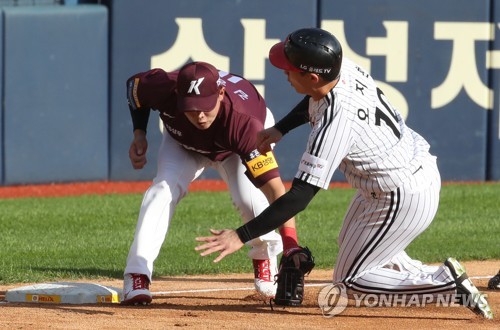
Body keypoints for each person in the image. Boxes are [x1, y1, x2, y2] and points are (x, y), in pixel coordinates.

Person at [195, 28, 493, 319]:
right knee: (351, 246)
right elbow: (313, 98)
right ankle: (432, 276)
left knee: (352, 282)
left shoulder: (334, 125)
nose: (284, 73)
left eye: (289, 69)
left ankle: (447, 286)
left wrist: (241, 235)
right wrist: (280, 128)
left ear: (311, 76)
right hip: (404, 172)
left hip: (401, 195)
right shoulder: (342, 69)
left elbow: (298, 197)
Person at [122, 61, 300, 305]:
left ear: (220, 93)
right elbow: (134, 87)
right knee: (161, 190)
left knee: (249, 200)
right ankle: (137, 274)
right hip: (183, 144)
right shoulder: (162, 88)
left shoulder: (246, 126)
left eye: (205, 107)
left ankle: (264, 258)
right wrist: (139, 133)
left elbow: (276, 192)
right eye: (191, 108)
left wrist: (291, 246)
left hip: (234, 147)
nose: (200, 116)